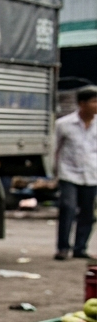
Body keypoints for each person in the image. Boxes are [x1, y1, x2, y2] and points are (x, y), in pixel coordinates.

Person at [53, 86, 97, 260]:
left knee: (87, 213)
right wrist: (54, 173)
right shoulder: (64, 124)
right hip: (68, 173)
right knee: (68, 208)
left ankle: (80, 248)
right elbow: (55, 149)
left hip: (92, 174)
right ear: (82, 104)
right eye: (94, 101)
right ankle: (63, 247)